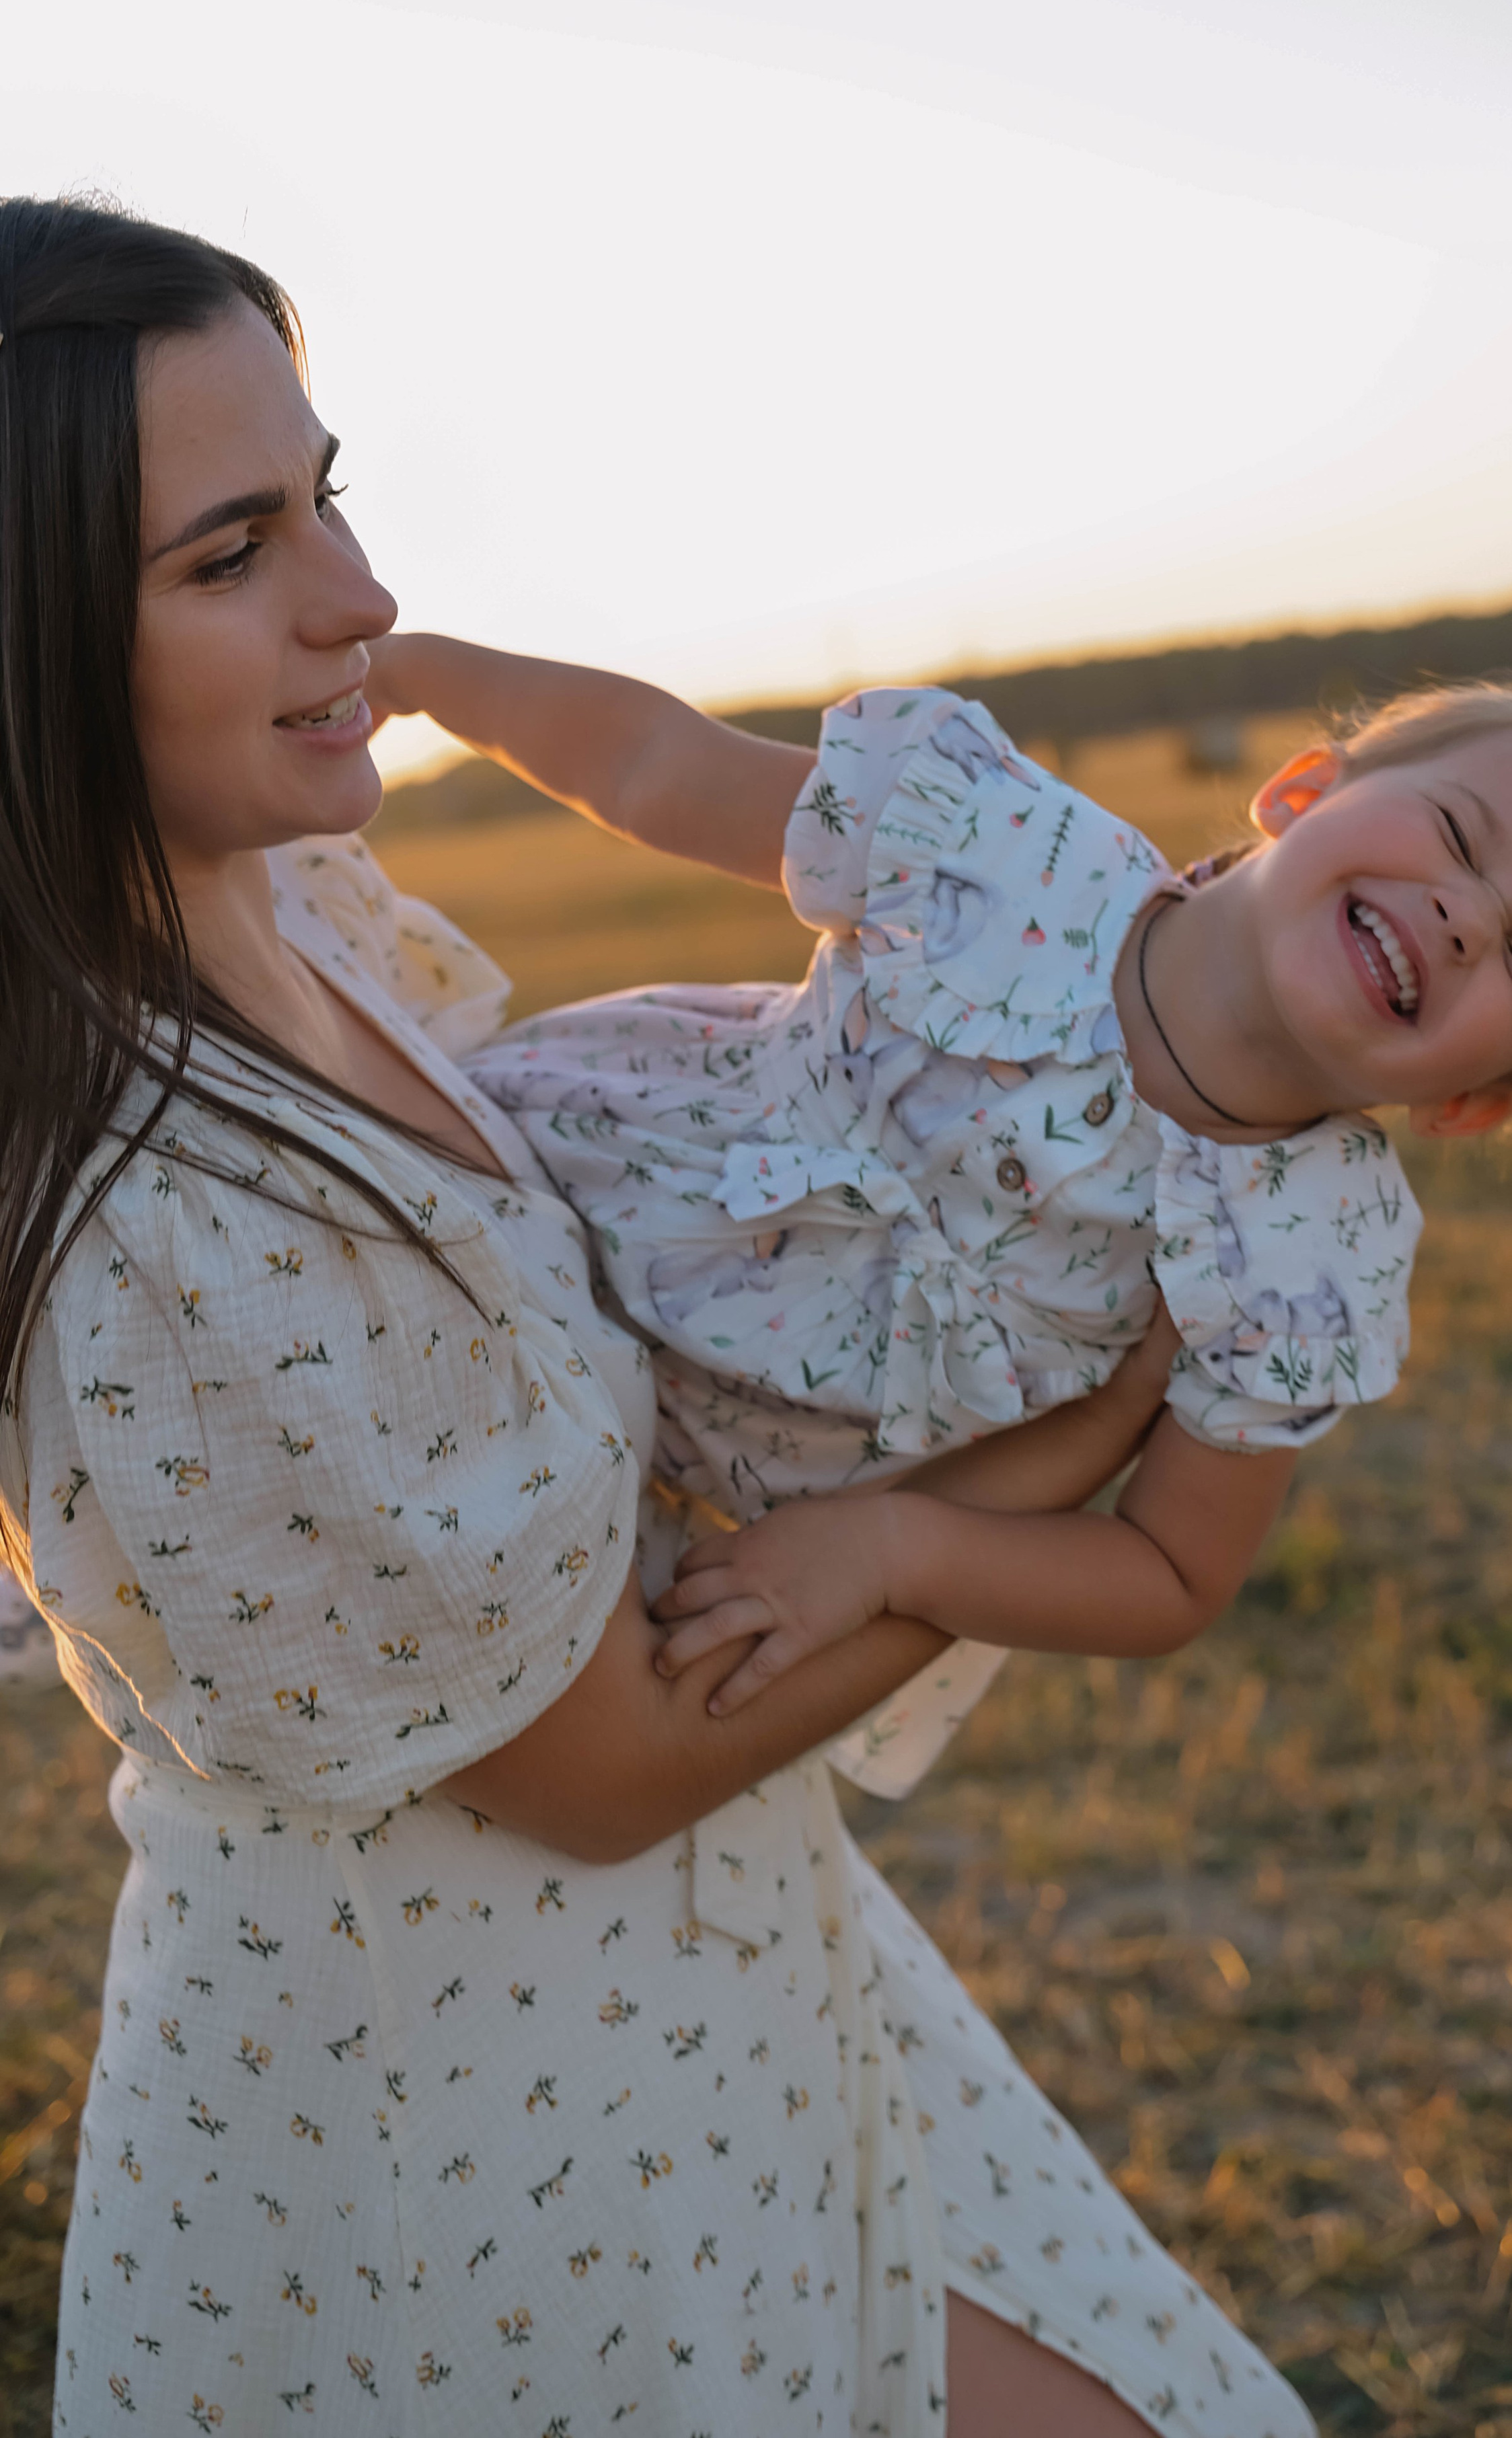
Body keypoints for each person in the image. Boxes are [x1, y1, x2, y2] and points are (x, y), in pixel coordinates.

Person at [0, 193, 1319, 2436]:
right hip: (475, 2128)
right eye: (230, 555)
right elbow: (598, 1771)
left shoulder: (300, 903)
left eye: (328, 499)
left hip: (726, 1973)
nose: (359, 600)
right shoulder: (144, 1215)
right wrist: (1103, 1423)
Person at [356, 641, 1512, 1740]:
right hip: (515, 1196)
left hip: (675, 1524)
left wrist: (888, 1554)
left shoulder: (1304, 1260)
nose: (1466, 916)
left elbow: (1167, 1572)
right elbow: (654, 765)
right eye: (1458, 834)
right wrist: (419, 676)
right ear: (1295, 793)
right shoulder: (1004, 855)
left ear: (1473, 1106)